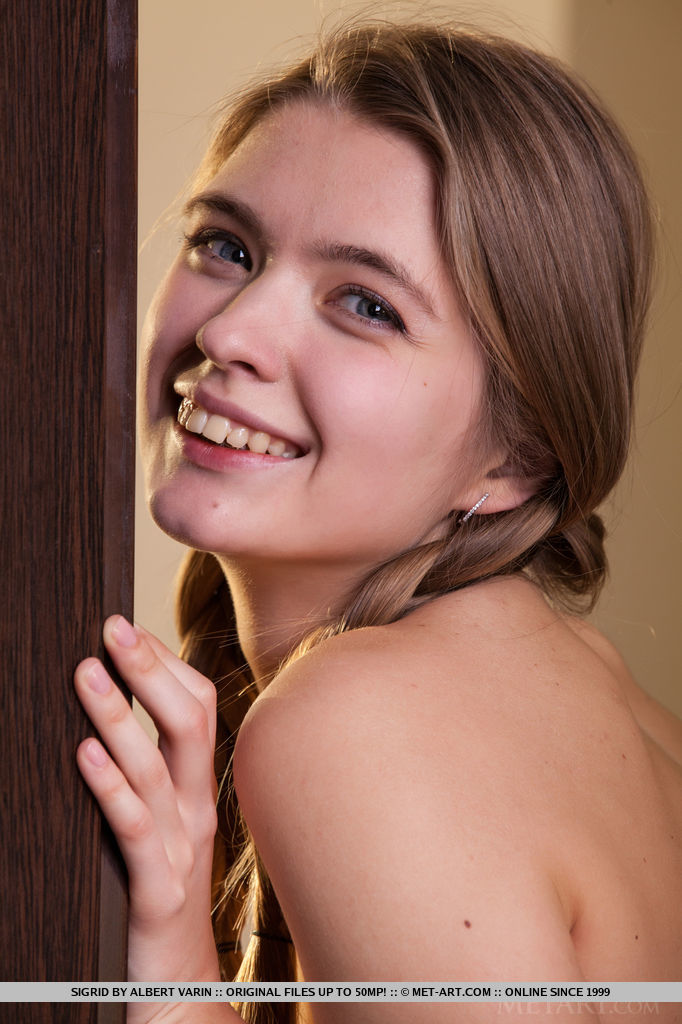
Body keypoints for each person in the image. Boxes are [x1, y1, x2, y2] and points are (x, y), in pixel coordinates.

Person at [73, 16, 682, 1024]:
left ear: (516, 457)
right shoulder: (597, 697)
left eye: (365, 304)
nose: (228, 330)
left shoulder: (359, 726)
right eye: (226, 246)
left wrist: (176, 992)